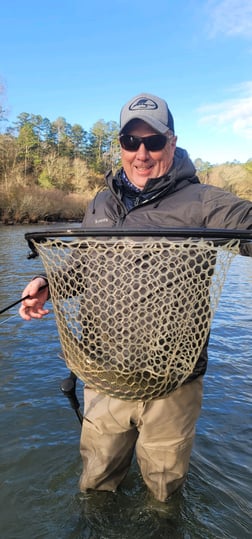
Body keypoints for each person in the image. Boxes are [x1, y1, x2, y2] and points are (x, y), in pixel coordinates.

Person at [19, 93, 252, 503]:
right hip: (103, 375)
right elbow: (81, 270)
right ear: (121, 145)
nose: (141, 153)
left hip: (173, 385)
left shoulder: (205, 202)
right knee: (96, 482)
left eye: (153, 142)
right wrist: (47, 283)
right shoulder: (100, 203)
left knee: (164, 494)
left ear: (172, 142)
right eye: (130, 142)